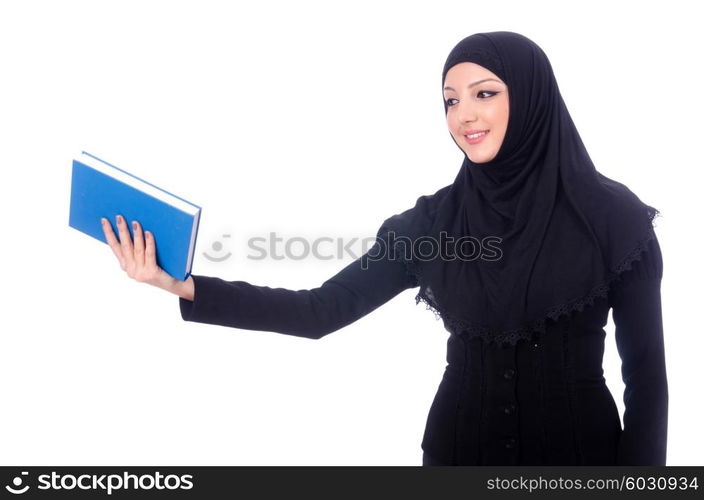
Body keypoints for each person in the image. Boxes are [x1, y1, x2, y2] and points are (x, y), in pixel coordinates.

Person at [100, 31, 667, 466]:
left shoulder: (612, 220)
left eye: (485, 94)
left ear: (533, 97)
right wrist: (184, 285)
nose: (463, 114)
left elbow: (646, 377)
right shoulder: (431, 223)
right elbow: (318, 311)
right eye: (449, 100)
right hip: (454, 458)